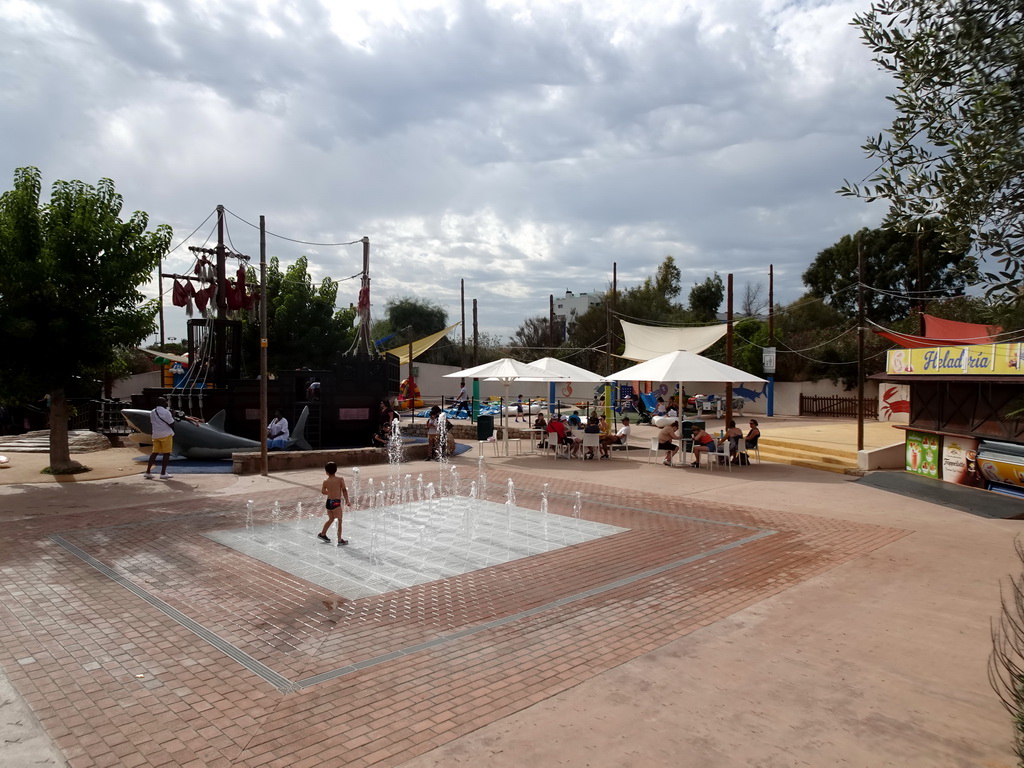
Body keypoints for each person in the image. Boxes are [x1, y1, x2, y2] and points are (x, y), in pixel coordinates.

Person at [318, 461, 351, 545]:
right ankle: (339, 539)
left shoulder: (325, 481)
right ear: (336, 470)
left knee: (331, 519)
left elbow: (322, 491)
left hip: (329, 502)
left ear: (326, 472)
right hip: (336, 502)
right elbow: (344, 490)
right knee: (339, 521)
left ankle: (322, 534)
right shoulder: (340, 479)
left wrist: (330, 492)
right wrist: (347, 500)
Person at [144, 397, 176, 479]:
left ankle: (148, 471)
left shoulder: (152, 412)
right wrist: (173, 415)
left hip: (156, 434)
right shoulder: (166, 412)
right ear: (163, 403)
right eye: (165, 402)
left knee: (154, 453)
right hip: (166, 434)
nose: (166, 403)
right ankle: (163, 473)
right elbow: (172, 423)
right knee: (166, 453)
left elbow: (152, 422)